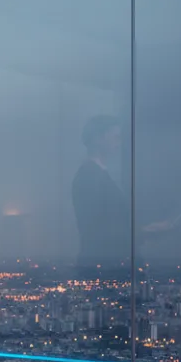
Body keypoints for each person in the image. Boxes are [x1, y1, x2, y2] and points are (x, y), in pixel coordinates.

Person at [71, 115, 169, 276]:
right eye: (115, 137)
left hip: (106, 266)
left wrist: (143, 231)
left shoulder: (95, 175)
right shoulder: (90, 177)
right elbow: (98, 231)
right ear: (97, 139)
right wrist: (145, 232)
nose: (119, 143)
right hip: (105, 269)